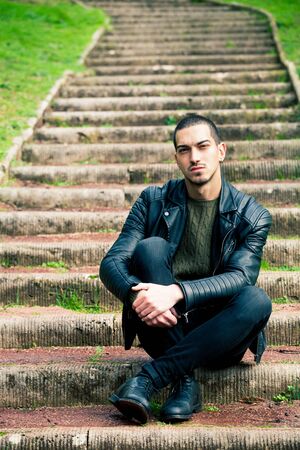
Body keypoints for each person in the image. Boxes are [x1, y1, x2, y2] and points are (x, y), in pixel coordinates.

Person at [100, 114, 272, 425]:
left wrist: (177, 292)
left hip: (220, 333)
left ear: (220, 151)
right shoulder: (153, 200)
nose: (194, 157)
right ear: (176, 157)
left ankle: (151, 379)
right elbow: (112, 262)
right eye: (184, 150)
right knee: (149, 248)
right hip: (160, 322)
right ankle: (185, 384)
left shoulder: (252, 215)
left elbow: (241, 276)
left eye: (202, 146)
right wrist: (136, 294)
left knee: (256, 300)